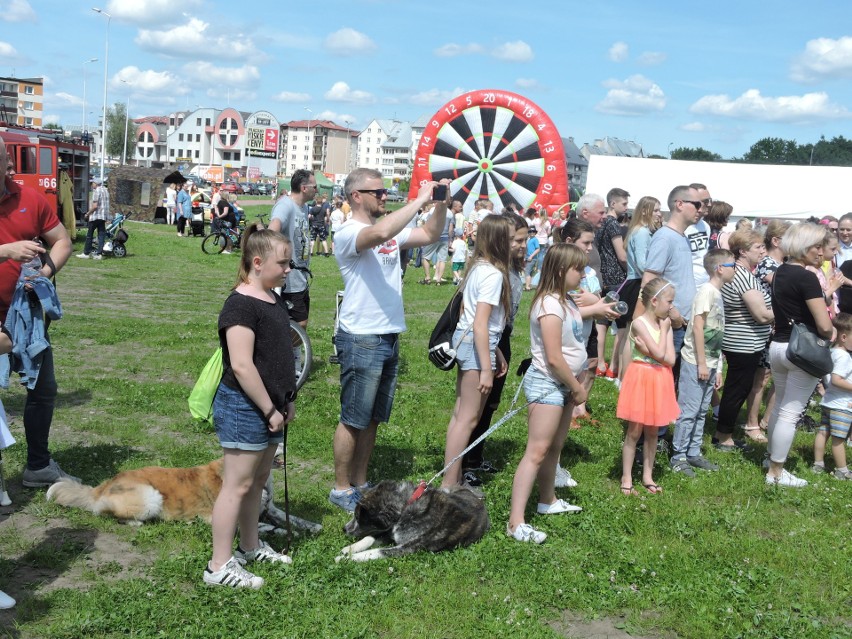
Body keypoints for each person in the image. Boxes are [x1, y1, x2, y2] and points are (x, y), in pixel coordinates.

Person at [329, 169, 448, 511]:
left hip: (388, 334)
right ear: (356, 196)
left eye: (385, 192)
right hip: (362, 337)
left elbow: (429, 233)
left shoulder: (390, 233)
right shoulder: (349, 232)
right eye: (377, 192)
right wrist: (420, 199)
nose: (384, 196)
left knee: (374, 417)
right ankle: (340, 488)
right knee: (353, 417)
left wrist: (439, 203)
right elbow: (380, 231)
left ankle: (361, 481)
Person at [204, 224, 296, 589]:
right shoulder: (240, 304)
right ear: (258, 263)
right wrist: (268, 409)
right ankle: (218, 565)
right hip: (245, 408)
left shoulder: (272, 298)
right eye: (283, 264)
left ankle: (249, 545)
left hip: (271, 407)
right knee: (237, 485)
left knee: (257, 481)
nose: (288, 270)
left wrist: (284, 403)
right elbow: (242, 366)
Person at [0, 137, 75, 487]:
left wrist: (44, 274)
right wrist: (7, 251)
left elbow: (62, 240)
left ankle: (38, 466)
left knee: (43, 390)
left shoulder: (29, 198)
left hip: (26, 317)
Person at [507, 244, 589, 544]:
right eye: (578, 269)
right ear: (559, 270)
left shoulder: (565, 301)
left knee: (554, 447)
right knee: (536, 452)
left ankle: (548, 500)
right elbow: (554, 357)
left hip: (564, 384)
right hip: (548, 384)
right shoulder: (549, 305)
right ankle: (516, 522)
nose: (583, 274)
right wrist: (578, 387)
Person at [440, 215, 512, 490]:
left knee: (460, 416)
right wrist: (486, 367)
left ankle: (453, 477)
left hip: (471, 344)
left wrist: (496, 352)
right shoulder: (493, 275)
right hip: (475, 349)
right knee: (468, 419)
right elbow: (481, 323)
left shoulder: (478, 268)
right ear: (500, 241)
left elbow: (469, 317)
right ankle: (449, 483)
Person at [765, 223, 835, 488]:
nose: (821, 252)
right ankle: (776, 472)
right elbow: (825, 325)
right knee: (791, 413)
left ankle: (770, 460)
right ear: (805, 247)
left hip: (779, 345)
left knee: (781, 406)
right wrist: (828, 334)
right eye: (817, 246)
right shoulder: (806, 277)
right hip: (801, 351)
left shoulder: (780, 271)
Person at [461, 213, 526, 484]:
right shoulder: (493, 271)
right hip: (490, 337)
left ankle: (474, 458)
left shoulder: (511, 268)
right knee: (475, 407)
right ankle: (464, 465)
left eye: (524, 239)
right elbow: (480, 319)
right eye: (515, 240)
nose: (521, 245)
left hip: (501, 337)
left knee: (490, 404)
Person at [669, 249, 735, 477]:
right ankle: (678, 456)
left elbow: (715, 335)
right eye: (731, 265)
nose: (734, 269)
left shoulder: (717, 293)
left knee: (700, 412)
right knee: (688, 410)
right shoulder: (706, 292)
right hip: (694, 361)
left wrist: (717, 367)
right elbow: (697, 327)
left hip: (710, 362)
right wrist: (701, 363)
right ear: (719, 269)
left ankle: (693, 452)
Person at [618, 278, 680, 495]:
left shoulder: (665, 324)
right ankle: (626, 477)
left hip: (660, 379)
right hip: (642, 378)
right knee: (634, 431)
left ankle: (648, 475)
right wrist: (661, 338)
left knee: (653, 431)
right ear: (654, 301)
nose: (672, 306)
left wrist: (653, 350)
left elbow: (670, 359)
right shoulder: (639, 324)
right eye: (669, 301)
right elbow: (663, 354)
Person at [714, 230, 775, 449]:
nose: (762, 250)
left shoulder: (738, 273)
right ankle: (724, 437)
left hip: (742, 340)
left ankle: (724, 431)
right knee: (737, 389)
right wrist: (784, 310)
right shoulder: (744, 277)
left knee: (735, 387)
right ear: (742, 251)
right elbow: (761, 315)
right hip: (743, 343)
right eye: (758, 247)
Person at [636, 185, 702, 384]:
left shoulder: (680, 236)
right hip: (670, 322)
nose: (701, 209)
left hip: (681, 321)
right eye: (697, 204)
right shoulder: (665, 237)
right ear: (679, 204)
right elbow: (649, 280)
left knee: (675, 379)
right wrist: (671, 311)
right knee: (664, 379)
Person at [746, 220, 791, 434]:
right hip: (765, 329)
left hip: (779, 329)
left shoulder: (784, 266)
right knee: (761, 379)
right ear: (776, 240)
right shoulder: (767, 264)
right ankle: (752, 424)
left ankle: (767, 421)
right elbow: (786, 289)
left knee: (778, 378)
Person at [619, 196, 661, 382]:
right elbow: (643, 264)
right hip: (638, 283)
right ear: (645, 211)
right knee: (633, 335)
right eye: (657, 210)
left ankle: (623, 376)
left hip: (634, 281)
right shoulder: (642, 232)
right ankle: (626, 377)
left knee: (630, 333)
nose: (660, 214)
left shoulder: (639, 230)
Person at [268, 169, 315, 328]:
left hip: (300, 277)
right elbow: (273, 229)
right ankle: (287, 352)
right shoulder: (285, 204)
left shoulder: (304, 207)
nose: (317, 190)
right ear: (304, 188)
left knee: (299, 322)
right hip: (288, 279)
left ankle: (290, 351)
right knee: (299, 323)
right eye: (314, 187)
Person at [595, 187, 629, 380]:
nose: (626, 207)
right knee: (621, 325)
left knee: (602, 322)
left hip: (603, 278)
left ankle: (600, 363)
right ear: (613, 203)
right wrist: (629, 271)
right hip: (617, 278)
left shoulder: (600, 224)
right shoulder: (614, 225)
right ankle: (614, 366)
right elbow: (621, 255)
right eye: (624, 203)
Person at [812, 312, 852, 480]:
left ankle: (818, 464)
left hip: (828, 401)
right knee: (838, 438)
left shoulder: (832, 351)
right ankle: (842, 470)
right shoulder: (844, 356)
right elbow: (836, 380)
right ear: (843, 336)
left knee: (823, 433)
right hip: (841, 405)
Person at [419, 200, 455, 285]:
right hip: (445, 237)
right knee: (442, 260)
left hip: (434, 236)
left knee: (425, 257)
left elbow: (428, 223)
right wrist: (449, 239)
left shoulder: (433, 210)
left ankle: (427, 277)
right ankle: (438, 280)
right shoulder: (450, 213)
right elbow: (450, 229)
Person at [685, 183, 713, 287]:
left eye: (710, 200)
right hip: (687, 287)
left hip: (704, 284)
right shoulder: (683, 227)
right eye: (706, 201)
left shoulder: (705, 226)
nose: (709, 205)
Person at [77, 178, 111, 260]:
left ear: (96, 184)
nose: (92, 184)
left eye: (92, 183)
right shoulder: (106, 191)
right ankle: (99, 254)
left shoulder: (97, 191)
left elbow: (95, 206)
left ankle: (86, 253)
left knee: (89, 235)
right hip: (103, 216)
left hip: (95, 216)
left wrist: (88, 214)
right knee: (101, 235)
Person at [523, 226, 541, 290]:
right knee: (529, 272)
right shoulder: (529, 239)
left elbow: (538, 249)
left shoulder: (535, 239)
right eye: (530, 232)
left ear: (535, 233)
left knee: (527, 272)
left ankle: (527, 286)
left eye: (533, 232)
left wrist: (531, 256)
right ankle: (528, 285)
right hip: (528, 257)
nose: (532, 233)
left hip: (532, 258)